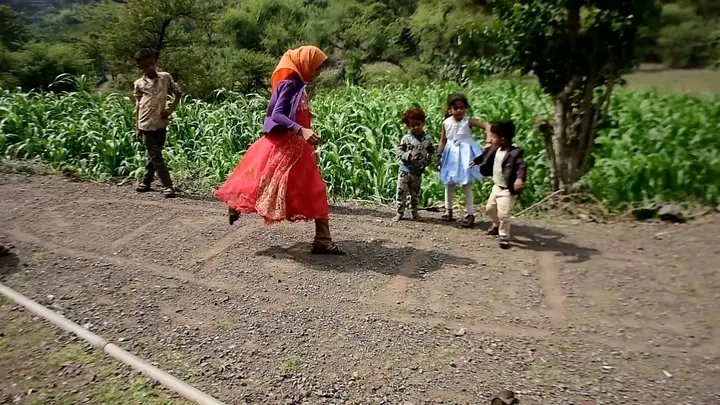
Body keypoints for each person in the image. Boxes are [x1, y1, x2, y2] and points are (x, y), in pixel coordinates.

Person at [214, 45, 344, 255]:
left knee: (311, 188)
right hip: (286, 144)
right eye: (317, 67)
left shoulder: (298, 82)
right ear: (306, 63)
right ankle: (237, 203)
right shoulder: (290, 82)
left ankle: (323, 240)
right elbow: (277, 115)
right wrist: (302, 130)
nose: (319, 72)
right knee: (268, 182)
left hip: (298, 146)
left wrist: (305, 127)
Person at [133, 48, 182, 198]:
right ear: (140, 67)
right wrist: (137, 127)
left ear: (155, 62)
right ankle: (168, 185)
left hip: (161, 123)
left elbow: (178, 93)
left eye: (152, 64)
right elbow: (138, 105)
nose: (150, 67)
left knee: (154, 155)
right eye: (146, 66)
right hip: (145, 124)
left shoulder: (165, 77)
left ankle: (146, 182)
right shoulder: (139, 83)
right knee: (156, 156)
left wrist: (170, 110)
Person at [470, 120, 527, 249]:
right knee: (489, 209)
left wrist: (519, 179)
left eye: (493, 137)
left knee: (503, 214)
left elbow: (521, 167)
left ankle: (504, 236)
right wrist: (476, 161)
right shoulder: (495, 149)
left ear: (502, 139)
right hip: (497, 186)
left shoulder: (514, 154)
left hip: (507, 190)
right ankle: (496, 224)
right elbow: (484, 155)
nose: (491, 139)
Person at [438, 93, 489, 228]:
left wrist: (489, 142)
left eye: (462, 107)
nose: (459, 110)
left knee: (467, 183)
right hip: (451, 154)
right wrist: (439, 155)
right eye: (456, 108)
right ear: (450, 110)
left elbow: (487, 126)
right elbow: (443, 140)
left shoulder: (468, 121)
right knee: (449, 182)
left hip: (466, 155)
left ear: (465, 108)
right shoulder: (446, 123)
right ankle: (448, 210)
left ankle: (470, 213)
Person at [394, 106, 435, 222]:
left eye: (418, 124)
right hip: (405, 171)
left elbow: (432, 152)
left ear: (423, 123)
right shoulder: (406, 138)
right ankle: (399, 213)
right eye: (412, 125)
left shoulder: (427, 139)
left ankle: (415, 213)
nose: (416, 127)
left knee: (415, 194)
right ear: (408, 126)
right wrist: (408, 157)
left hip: (417, 172)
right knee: (401, 192)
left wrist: (425, 162)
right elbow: (399, 151)